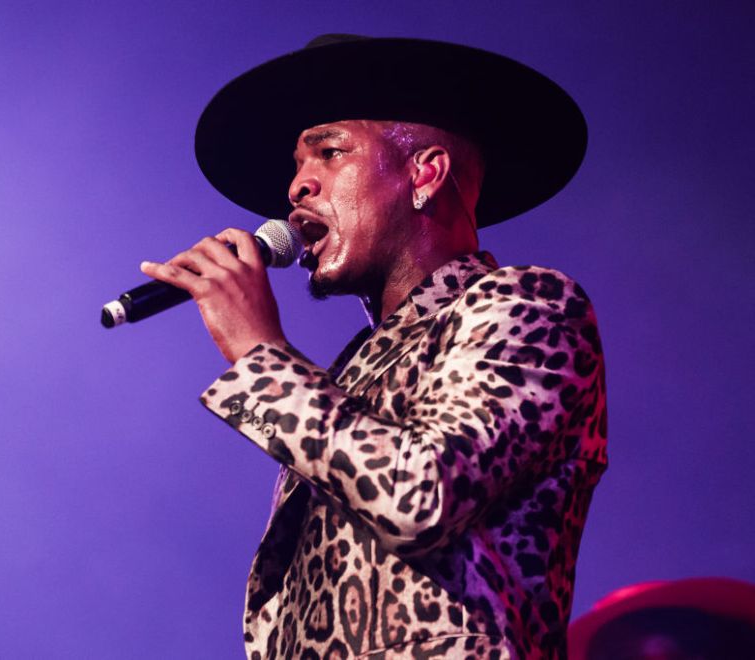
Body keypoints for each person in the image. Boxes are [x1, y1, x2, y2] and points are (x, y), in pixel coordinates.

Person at [141, 35, 607, 659]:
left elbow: (422, 496)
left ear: (425, 173)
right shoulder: (352, 372)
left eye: (329, 153)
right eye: (298, 166)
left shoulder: (530, 305)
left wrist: (259, 353)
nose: (296, 188)